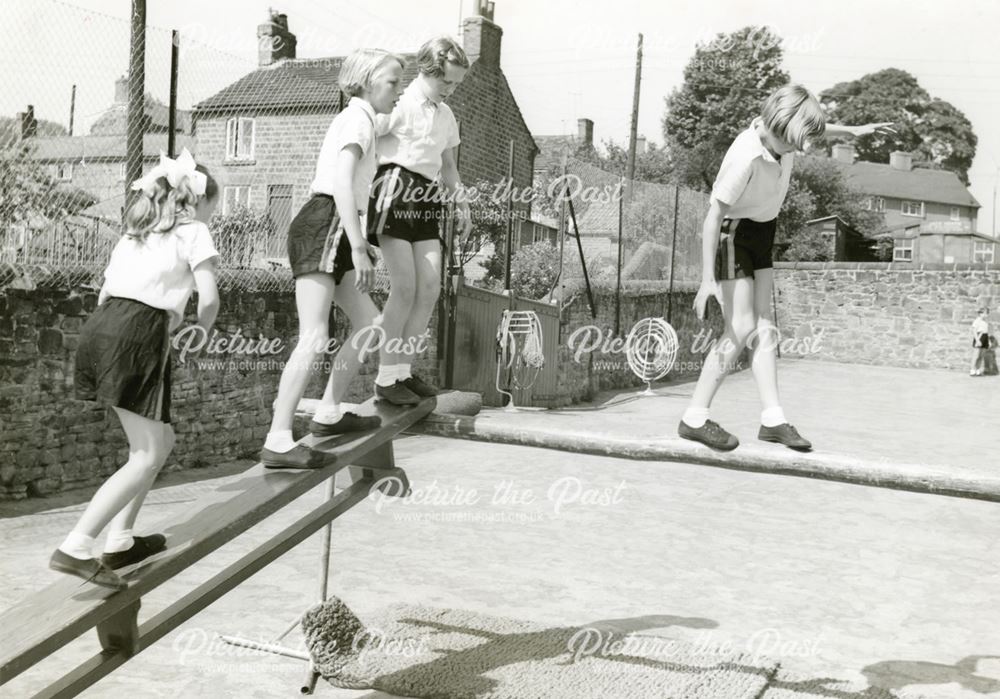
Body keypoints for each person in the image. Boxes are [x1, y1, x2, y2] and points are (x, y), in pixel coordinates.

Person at [677, 84, 894, 452]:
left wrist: (854, 131)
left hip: (764, 231)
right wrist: (707, 280)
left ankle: (772, 419)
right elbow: (713, 217)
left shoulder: (783, 133)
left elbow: (817, 130)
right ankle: (694, 417)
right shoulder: (745, 156)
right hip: (735, 234)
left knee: (765, 327)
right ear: (778, 129)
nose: (795, 150)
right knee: (741, 326)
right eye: (792, 143)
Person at [51, 149, 220, 590]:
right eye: (210, 208)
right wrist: (200, 331)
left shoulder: (134, 234)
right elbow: (210, 298)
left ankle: (121, 539)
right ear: (195, 202)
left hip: (104, 327)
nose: (210, 216)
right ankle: (76, 545)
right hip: (139, 333)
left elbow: (107, 293)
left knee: (161, 440)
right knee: (145, 454)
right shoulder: (194, 232)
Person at [260, 49, 405, 470]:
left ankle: (328, 411)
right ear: (365, 81)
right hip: (325, 222)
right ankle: (279, 439)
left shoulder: (364, 120)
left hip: (337, 226)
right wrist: (359, 246)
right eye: (393, 82)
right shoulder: (356, 119)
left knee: (370, 323)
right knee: (313, 334)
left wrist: (356, 240)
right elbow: (341, 180)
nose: (398, 91)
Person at [366, 36, 473, 406]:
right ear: (427, 71)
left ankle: (403, 372)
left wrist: (463, 206)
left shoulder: (446, 115)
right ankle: (384, 377)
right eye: (446, 81)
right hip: (395, 188)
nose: (451, 89)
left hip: (427, 196)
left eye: (457, 83)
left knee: (429, 287)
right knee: (405, 287)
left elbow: (448, 167)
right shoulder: (402, 103)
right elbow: (365, 133)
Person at [970, 307, 990, 376]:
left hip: (985, 337)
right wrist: (977, 340)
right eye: (984, 313)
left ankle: (977, 369)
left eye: (987, 313)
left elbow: (986, 332)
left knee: (981, 355)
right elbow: (974, 331)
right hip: (979, 337)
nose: (986, 315)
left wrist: (988, 341)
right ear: (980, 313)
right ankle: (972, 369)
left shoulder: (985, 322)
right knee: (976, 355)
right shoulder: (977, 321)